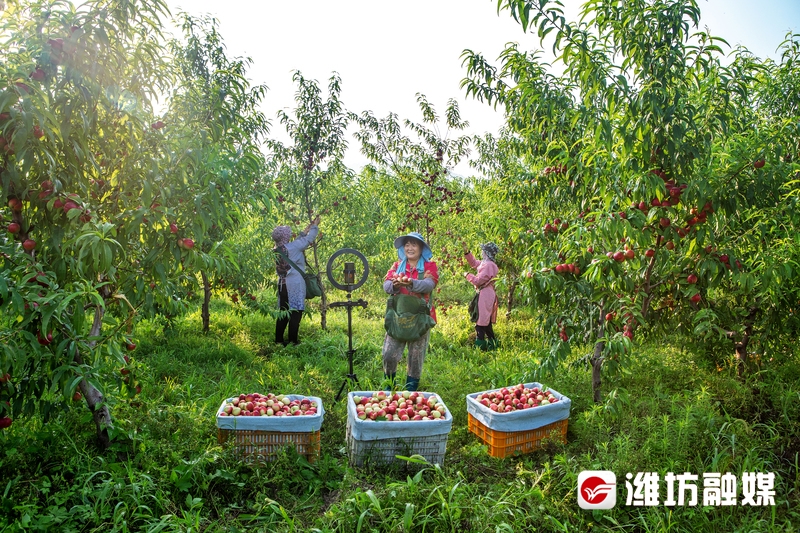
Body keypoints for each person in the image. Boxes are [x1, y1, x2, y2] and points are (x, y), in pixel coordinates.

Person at [382, 232, 439, 391]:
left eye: (414, 244)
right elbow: (386, 286)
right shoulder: (397, 266)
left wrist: (410, 282)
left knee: (415, 357)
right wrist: (395, 284)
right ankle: (389, 389)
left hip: (419, 318)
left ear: (421, 248)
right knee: (389, 353)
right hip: (398, 317)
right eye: (407, 244)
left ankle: (410, 393)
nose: (410, 247)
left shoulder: (429, 267)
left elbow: (429, 285)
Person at [271, 215, 320, 346]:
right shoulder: (293, 247)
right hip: (295, 284)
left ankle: (279, 340)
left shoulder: (277, 249)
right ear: (285, 237)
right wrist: (315, 227)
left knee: (284, 312)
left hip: (283, 285)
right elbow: (308, 239)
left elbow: (297, 242)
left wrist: (305, 229)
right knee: (296, 312)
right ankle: (293, 341)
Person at [463, 241, 500, 350]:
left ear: (487, 253)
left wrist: (467, 275)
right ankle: (493, 345)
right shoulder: (486, 263)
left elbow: (478, 281)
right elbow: (474, 263)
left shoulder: (489, 265)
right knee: (486, 321)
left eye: (483, 250)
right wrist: (467, 252)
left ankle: (480, 348)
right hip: (485, 293)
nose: (482, 252)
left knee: (481, 321)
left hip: (486, 295)